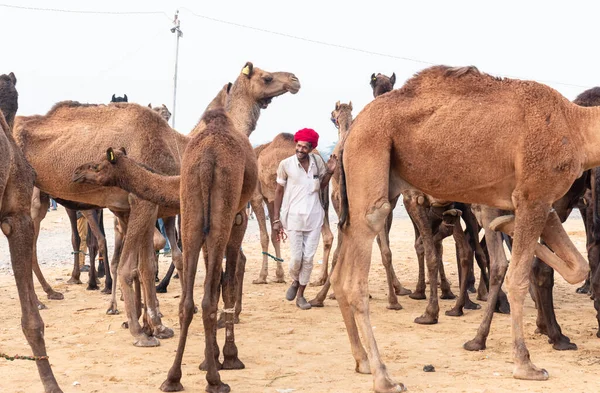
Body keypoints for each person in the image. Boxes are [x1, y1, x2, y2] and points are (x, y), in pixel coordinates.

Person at [272, 128, 337, 310]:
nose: (300, 150)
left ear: (310, 148)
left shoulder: (317, 162)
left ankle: (301, 294)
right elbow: (278, 191)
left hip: (314, 216)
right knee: (296, 259)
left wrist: (330, 172)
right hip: (293, 217)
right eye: (299, 146)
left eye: (305, 147)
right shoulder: (286, 164)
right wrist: (276, 219)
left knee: (308, 259)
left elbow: (321, 186)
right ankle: (294, 280)